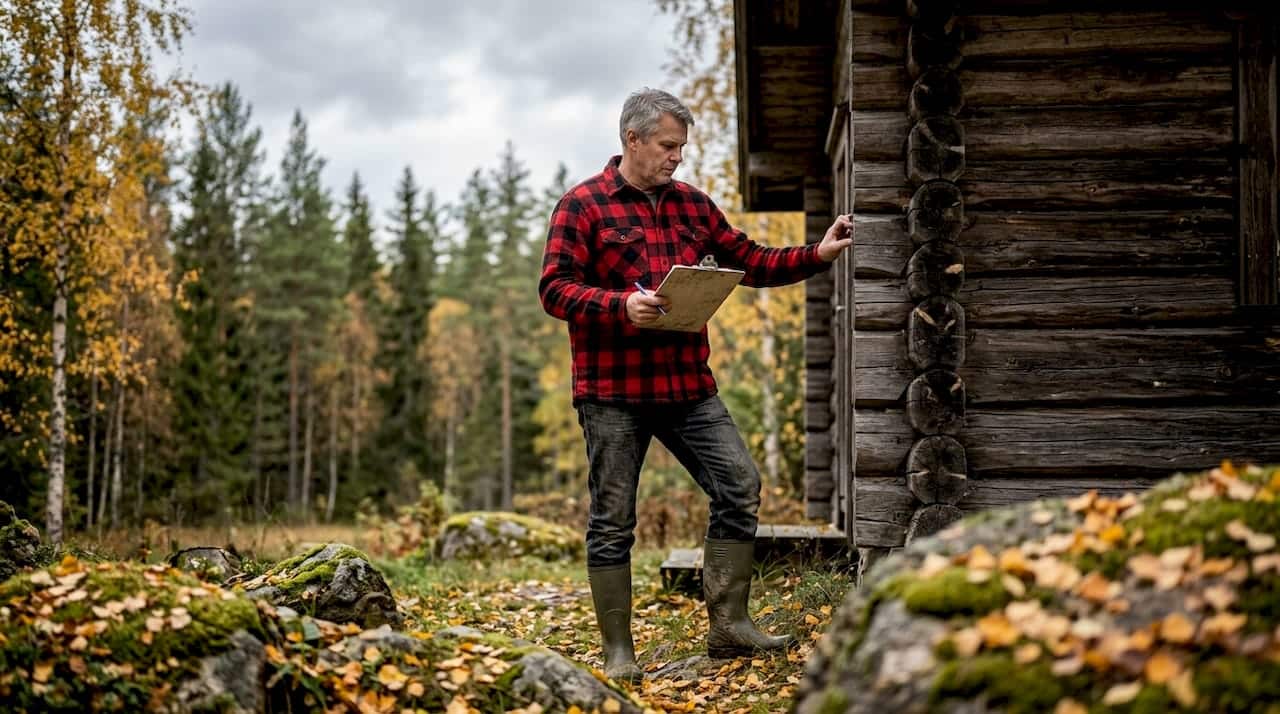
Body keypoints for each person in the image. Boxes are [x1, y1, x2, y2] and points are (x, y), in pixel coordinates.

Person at [538, 88, 853, 684]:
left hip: (687, 387)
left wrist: (818, 252)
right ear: (632, 139)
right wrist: (620, 305)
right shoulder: (582, 205)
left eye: (681, 147)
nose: (677, 157)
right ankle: (619, 653)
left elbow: (750, 260)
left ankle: (729, 626)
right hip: (612, 393)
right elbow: (554, 289)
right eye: (667, 145)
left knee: (739, 486)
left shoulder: (693, 206)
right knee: (613, 520)